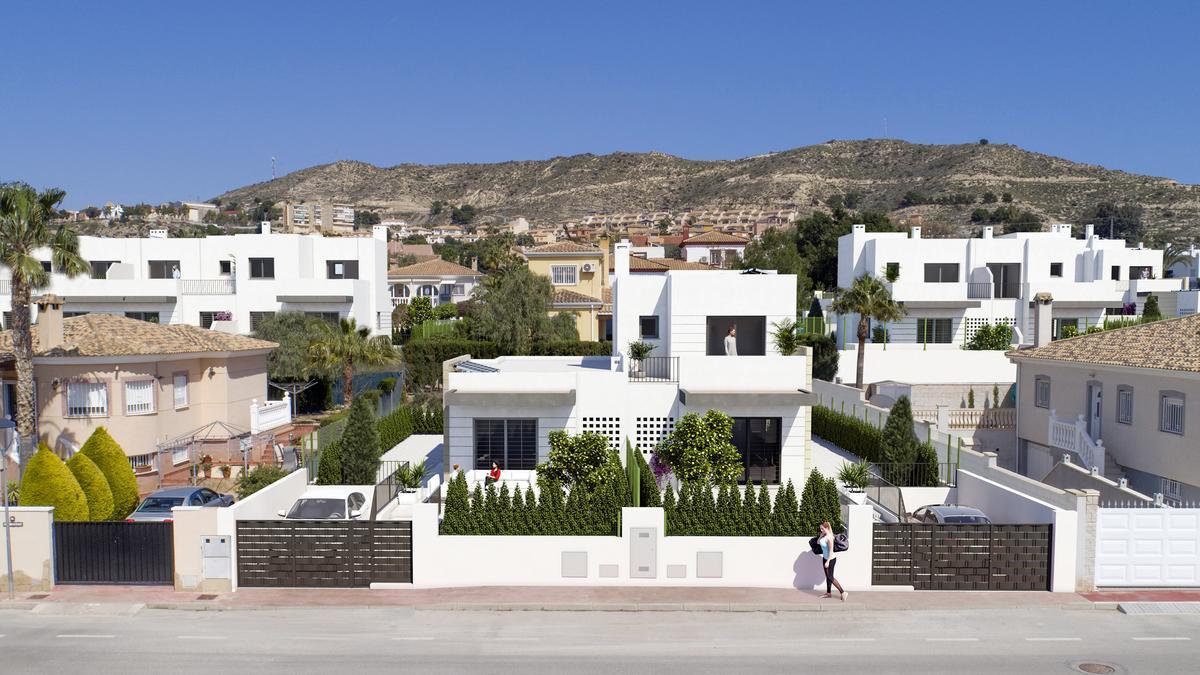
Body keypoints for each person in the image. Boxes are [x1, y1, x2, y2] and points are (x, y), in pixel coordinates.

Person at [819, 521, 847, 601]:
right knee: (828, 577)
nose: (821, 530)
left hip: (830, 559)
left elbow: (831, 551)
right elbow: (818, 542)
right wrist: (820, 536)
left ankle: (843, 592)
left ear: (827, 528)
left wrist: (828, 561)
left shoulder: (829, 537)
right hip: (824, 558)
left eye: (822, 528)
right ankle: (828, 593)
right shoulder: (824, 536)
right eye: (820, 529)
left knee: (830, 577)